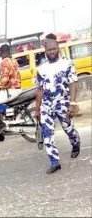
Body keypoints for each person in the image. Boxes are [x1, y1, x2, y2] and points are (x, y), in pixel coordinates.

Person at [35, 37, 81, 174]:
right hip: (47, 105)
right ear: (45, 52)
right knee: (47, 133)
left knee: (69, 129)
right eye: (49, 50)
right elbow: (39, 90)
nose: (52, 52)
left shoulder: (67, 63)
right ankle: (55, 162)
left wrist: (72, 103)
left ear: (58, 50)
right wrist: (37, 109)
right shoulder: (41, 68)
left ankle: (76, 143)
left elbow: (73, 83)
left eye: (54, 49)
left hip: (63, 103)